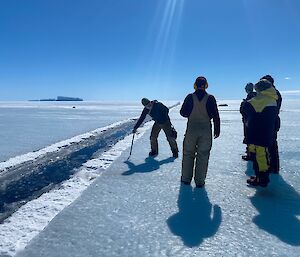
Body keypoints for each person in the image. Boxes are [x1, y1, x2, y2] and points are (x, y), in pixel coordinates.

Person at [180, 76, 220, 188]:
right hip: (206, 130)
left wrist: (190, 113)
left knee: (188, 153)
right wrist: (217, 129)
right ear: (206, 85)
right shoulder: (210, 98)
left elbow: (183, 112)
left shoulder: (189, 97)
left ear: (195, 85)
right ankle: (200, 181)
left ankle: (186, 179)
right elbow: (216, 115)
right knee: (203, 155)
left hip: (191, 129)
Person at [243, 79, 278, 187]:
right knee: (263, 155)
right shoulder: (272, 98)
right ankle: (261, 176)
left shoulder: (260, 100)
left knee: (259, 156)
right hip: (267, 131)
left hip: (258, 132)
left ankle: (261, 178)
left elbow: (245, 108)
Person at [260, 75, 282, 174]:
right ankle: (272, 166)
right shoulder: (273, 93)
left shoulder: (273, 94)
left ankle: (273, 167)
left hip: (270, 123)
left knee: (271, 146)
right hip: (271, 122)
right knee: (270, 145)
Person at [240, 83, 257, 161]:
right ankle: (251, 153)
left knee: (250, 138)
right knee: (251, 137)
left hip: (250, 121)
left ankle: (251, 155)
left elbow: (247, 109)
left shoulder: (251, 97)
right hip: (251, 121)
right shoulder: (255, 96)